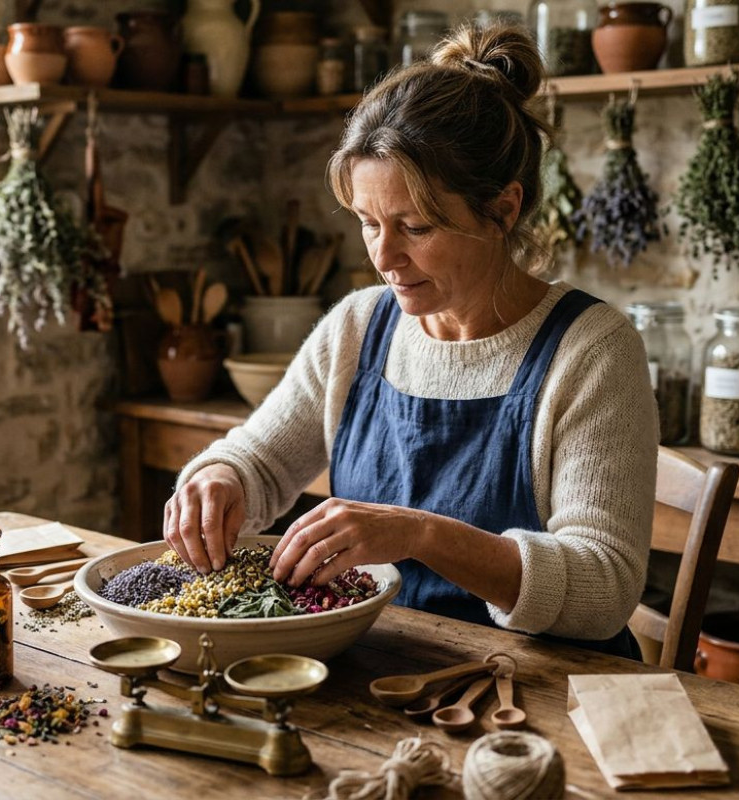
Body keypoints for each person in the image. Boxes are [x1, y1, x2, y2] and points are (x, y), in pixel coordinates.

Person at [162, 23, 658, 657]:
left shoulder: (590, 350)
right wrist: (219, 478)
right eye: (369, 223)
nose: (384, 257)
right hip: (381, 667)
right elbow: (259, 461)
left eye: (416, 227)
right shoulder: (358, 326)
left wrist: (422, 535)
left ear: (503, 210)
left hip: (536, 686)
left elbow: (605, 588)